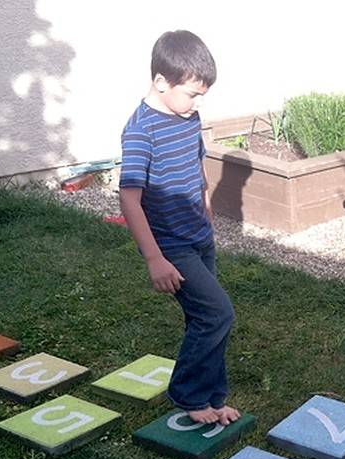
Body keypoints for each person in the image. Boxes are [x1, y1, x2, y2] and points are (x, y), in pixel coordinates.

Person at [118, 30, 240, 426]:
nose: (199, 102)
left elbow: (196, 167)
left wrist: (206, 212)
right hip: (171, 247)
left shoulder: (188, 116)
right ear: (160, 82)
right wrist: (154, 259)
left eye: (203, 94)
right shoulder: (141, 132)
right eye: (192, 93)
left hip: (199, 238)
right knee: (218, 313)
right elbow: (129, 199)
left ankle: (213, 398)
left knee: (204, 320)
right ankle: (188, 394)